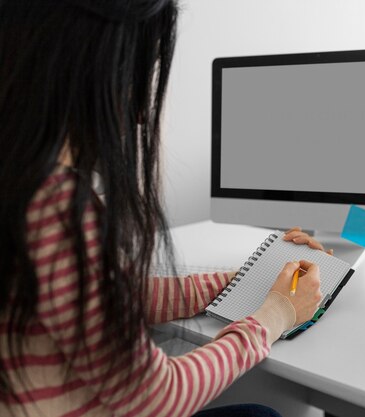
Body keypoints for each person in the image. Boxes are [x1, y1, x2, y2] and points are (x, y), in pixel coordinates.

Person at [0, 1, 325, 416]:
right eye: (145, 70)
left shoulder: (21, 186)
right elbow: (158, 398)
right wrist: (276, 314)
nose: (142, 109)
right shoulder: (54, 210)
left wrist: (250, 279)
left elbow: (113, 301)